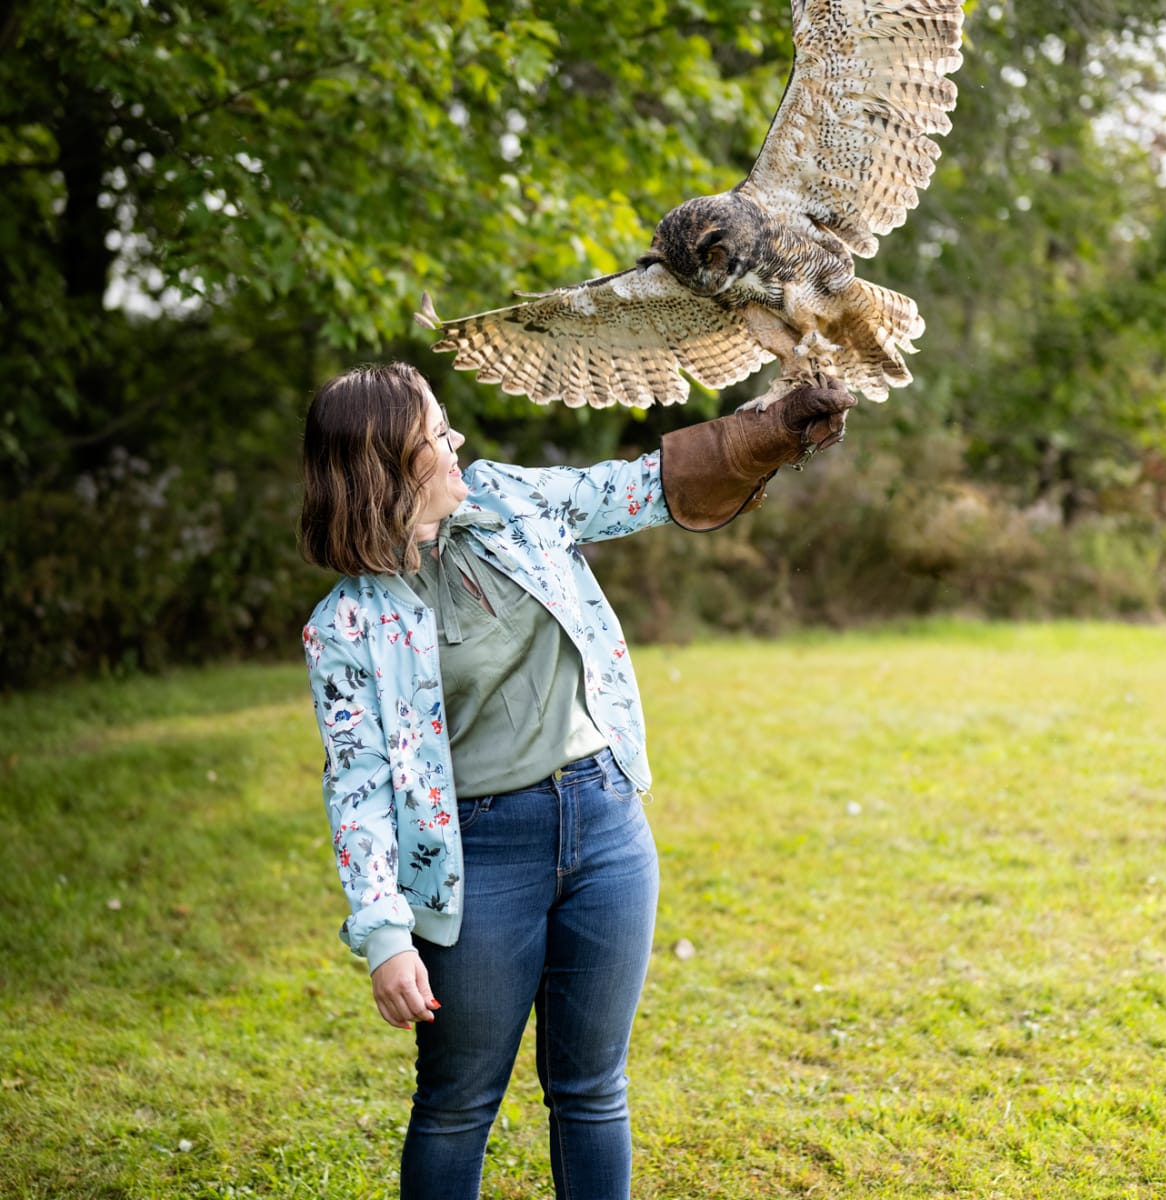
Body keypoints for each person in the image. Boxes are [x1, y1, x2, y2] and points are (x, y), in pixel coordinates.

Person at [299, 361, 854, 1200]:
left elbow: (636, 489)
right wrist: (385, 935)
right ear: (383, 466)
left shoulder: (513, 501)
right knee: (457, 1102)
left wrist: (765, 432)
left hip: (605, 826)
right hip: (478, 860)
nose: (456, 444)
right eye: (433, 436)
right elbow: (359, 786)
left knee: (593, 1091)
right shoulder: (346, 626)